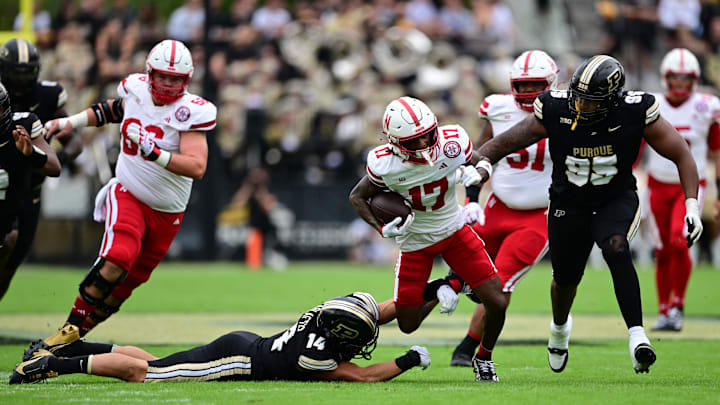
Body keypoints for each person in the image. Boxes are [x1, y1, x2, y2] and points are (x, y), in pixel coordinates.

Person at [473, 55, 701, 374]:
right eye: (578, 97)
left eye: (591, 101)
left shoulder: (635, 110)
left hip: (615, 197)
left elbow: (682, 154)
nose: (581, 105)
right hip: (569, 201)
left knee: (616, 247)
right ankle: (560, 326)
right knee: (565, 280)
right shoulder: (558, 106)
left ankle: (637, 336)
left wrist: (691, 205)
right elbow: (506, 142)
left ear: (611, 100)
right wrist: (482, 163)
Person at [24, 39, 217, 356]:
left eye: (175, 79)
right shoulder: (135, 89)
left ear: (187, 80)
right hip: (128, 191)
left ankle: (69, 342)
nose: (168, 84)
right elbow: (110, 110)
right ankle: (63, 334)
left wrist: (154, 152)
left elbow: (197, 167)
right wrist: (68, 122)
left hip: (167, 213)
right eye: (162, 76)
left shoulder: (191, 111)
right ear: (149, 73)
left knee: (124, 288)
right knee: (118, 258)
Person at [348, 96, 508, 382]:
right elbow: (358, 197)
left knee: (497, 300)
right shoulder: (384, 164)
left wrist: (479, 171)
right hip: (415, 243)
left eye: (427, 136)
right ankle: (447, 284)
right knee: (408, 324)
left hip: (454, 230)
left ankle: (483, 357)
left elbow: (482, 160)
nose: (423, 145)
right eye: (413, 141)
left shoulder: (451, 141)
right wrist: (380, 228)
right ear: (395, 144)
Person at [10, 292, 431, 384]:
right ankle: (51, 364)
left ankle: (76, 346)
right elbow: (364, 375)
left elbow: (385, 308)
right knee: (146, 375)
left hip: (244, 343)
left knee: (158, 362)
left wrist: (433, 289)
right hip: (239, 362)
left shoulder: (324, 312)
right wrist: (410, 359)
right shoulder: (317, 357)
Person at [450, 50, 558, 367]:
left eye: (534, 84)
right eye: (521, 85)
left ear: (550, 82)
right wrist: (471, 199)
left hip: (539, 214)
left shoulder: (565, 111)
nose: (526, 92)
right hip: (497, 206)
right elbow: (481, 155)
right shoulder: (497, 107)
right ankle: (410, 316)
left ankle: (471, 348)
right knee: (458, 271)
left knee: (499, 283)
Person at [0, 38, 83, 301]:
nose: (21, 80)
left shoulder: (43, 102)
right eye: (15, 72)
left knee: (10, 264)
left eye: (26, 73)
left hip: (27, 189)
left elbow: (73, 143)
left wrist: (46, 160)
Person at [645, 48, 720, 331]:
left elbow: (717, 151)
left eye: (685, 78)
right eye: (674, 78)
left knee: (680, 240)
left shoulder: (706, 106)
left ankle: (678, 306)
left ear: (695, 79)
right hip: (656, 185)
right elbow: (635, 147)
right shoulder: (652, 105)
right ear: (665, 78)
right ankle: (664, 310)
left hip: (688, 187)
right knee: (662, 249)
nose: (679, 84)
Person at [0, 82, 62, 281]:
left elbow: (54, 166)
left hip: (14, 203)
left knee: (10, 249)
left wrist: (31, 153)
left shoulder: (24, 125)